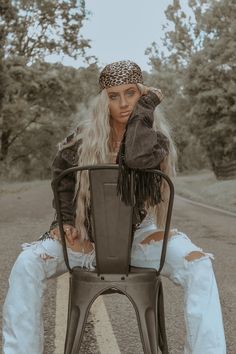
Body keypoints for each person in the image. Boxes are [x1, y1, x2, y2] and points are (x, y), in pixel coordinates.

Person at [2, 60, 226, 354]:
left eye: (131, 94)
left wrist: (145, 110)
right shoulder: (82, 139)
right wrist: (65, 221)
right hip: (87, 238)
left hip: (138, 238)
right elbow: (62, 179)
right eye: (113, 96)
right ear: (103, 100)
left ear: (142, 95)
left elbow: (135, 157)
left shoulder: (154, 141)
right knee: (26, 264)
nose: (123, 104)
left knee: (199, 264)